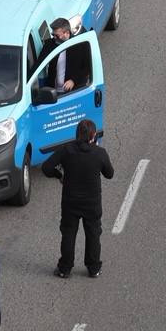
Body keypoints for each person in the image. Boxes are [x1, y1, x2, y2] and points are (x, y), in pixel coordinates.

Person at [44, 118, 114, 279]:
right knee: (93, 234)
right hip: (92, 202)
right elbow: (110, 174)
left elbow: (47, 168)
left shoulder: (66, 150)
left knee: (68, 234)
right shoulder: (99, 153)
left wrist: (59, 175)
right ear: (93, 135)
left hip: (70, 201)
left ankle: (65, 268)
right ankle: (93, 267)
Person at [40, 18, 76, 92]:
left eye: (57, 35)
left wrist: (73, 80)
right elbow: (39, 63)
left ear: (67, 33)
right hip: (53, 91)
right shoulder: (49, 44)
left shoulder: (78, 45)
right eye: (53, 34)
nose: (54, 37)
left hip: (72, 92)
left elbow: (86, 68)